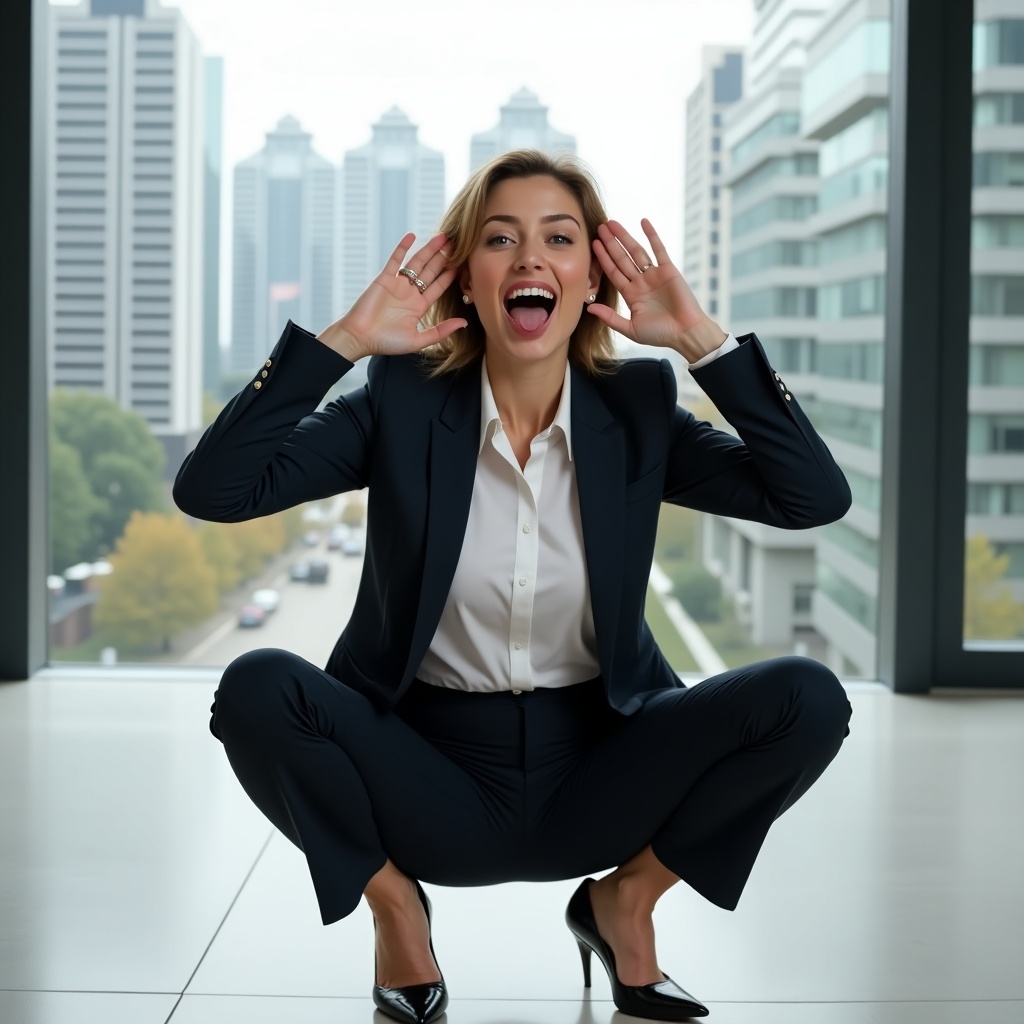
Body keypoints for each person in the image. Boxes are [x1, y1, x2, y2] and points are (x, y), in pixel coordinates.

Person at [174, 149, 853, 1024]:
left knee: (807, 697)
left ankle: (625, 905)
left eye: (559, 238)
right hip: (424, 779)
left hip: (601, 770)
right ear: (465, 276)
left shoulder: (636, 407)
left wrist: (702, 345)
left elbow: (812, 497)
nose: (531, 258)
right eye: (502, 238)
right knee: (255, 688)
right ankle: (397, 914)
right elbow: (213, 489)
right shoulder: (399, 402)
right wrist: (342, 342)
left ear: (590, 275)